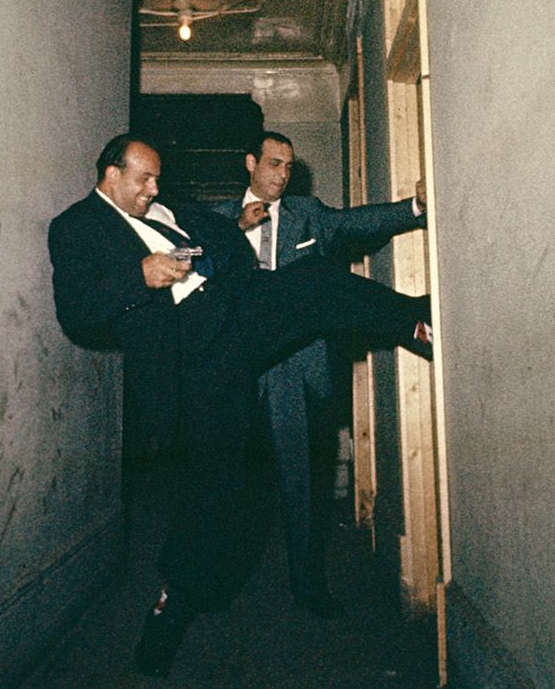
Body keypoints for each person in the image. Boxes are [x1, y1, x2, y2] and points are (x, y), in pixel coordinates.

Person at [47, 133, 432, 676]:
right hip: (192, 354)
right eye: (145, 179)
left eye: (157, 178)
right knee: (217, 489)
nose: (155, 187)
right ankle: (172, 606)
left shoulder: (173, 210)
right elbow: (76, 309)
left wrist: (222, 250)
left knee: (315, 281)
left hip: (234, 308)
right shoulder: (75, 227)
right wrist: (141, 274)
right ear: (111, 175)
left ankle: (414, 319)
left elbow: (216, 244)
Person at [211, 131, 425, 618]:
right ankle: (214, 583)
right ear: (250, 163)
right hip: (236, 368)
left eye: (288, 166)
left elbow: (357, 222)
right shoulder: (217, 220)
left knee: (301, 482)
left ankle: (308, 587)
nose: (282, 174)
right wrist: (233, 232)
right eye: (273, 164)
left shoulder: (308, 215)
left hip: (295, 370)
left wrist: (412, 208)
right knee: (228, 483)